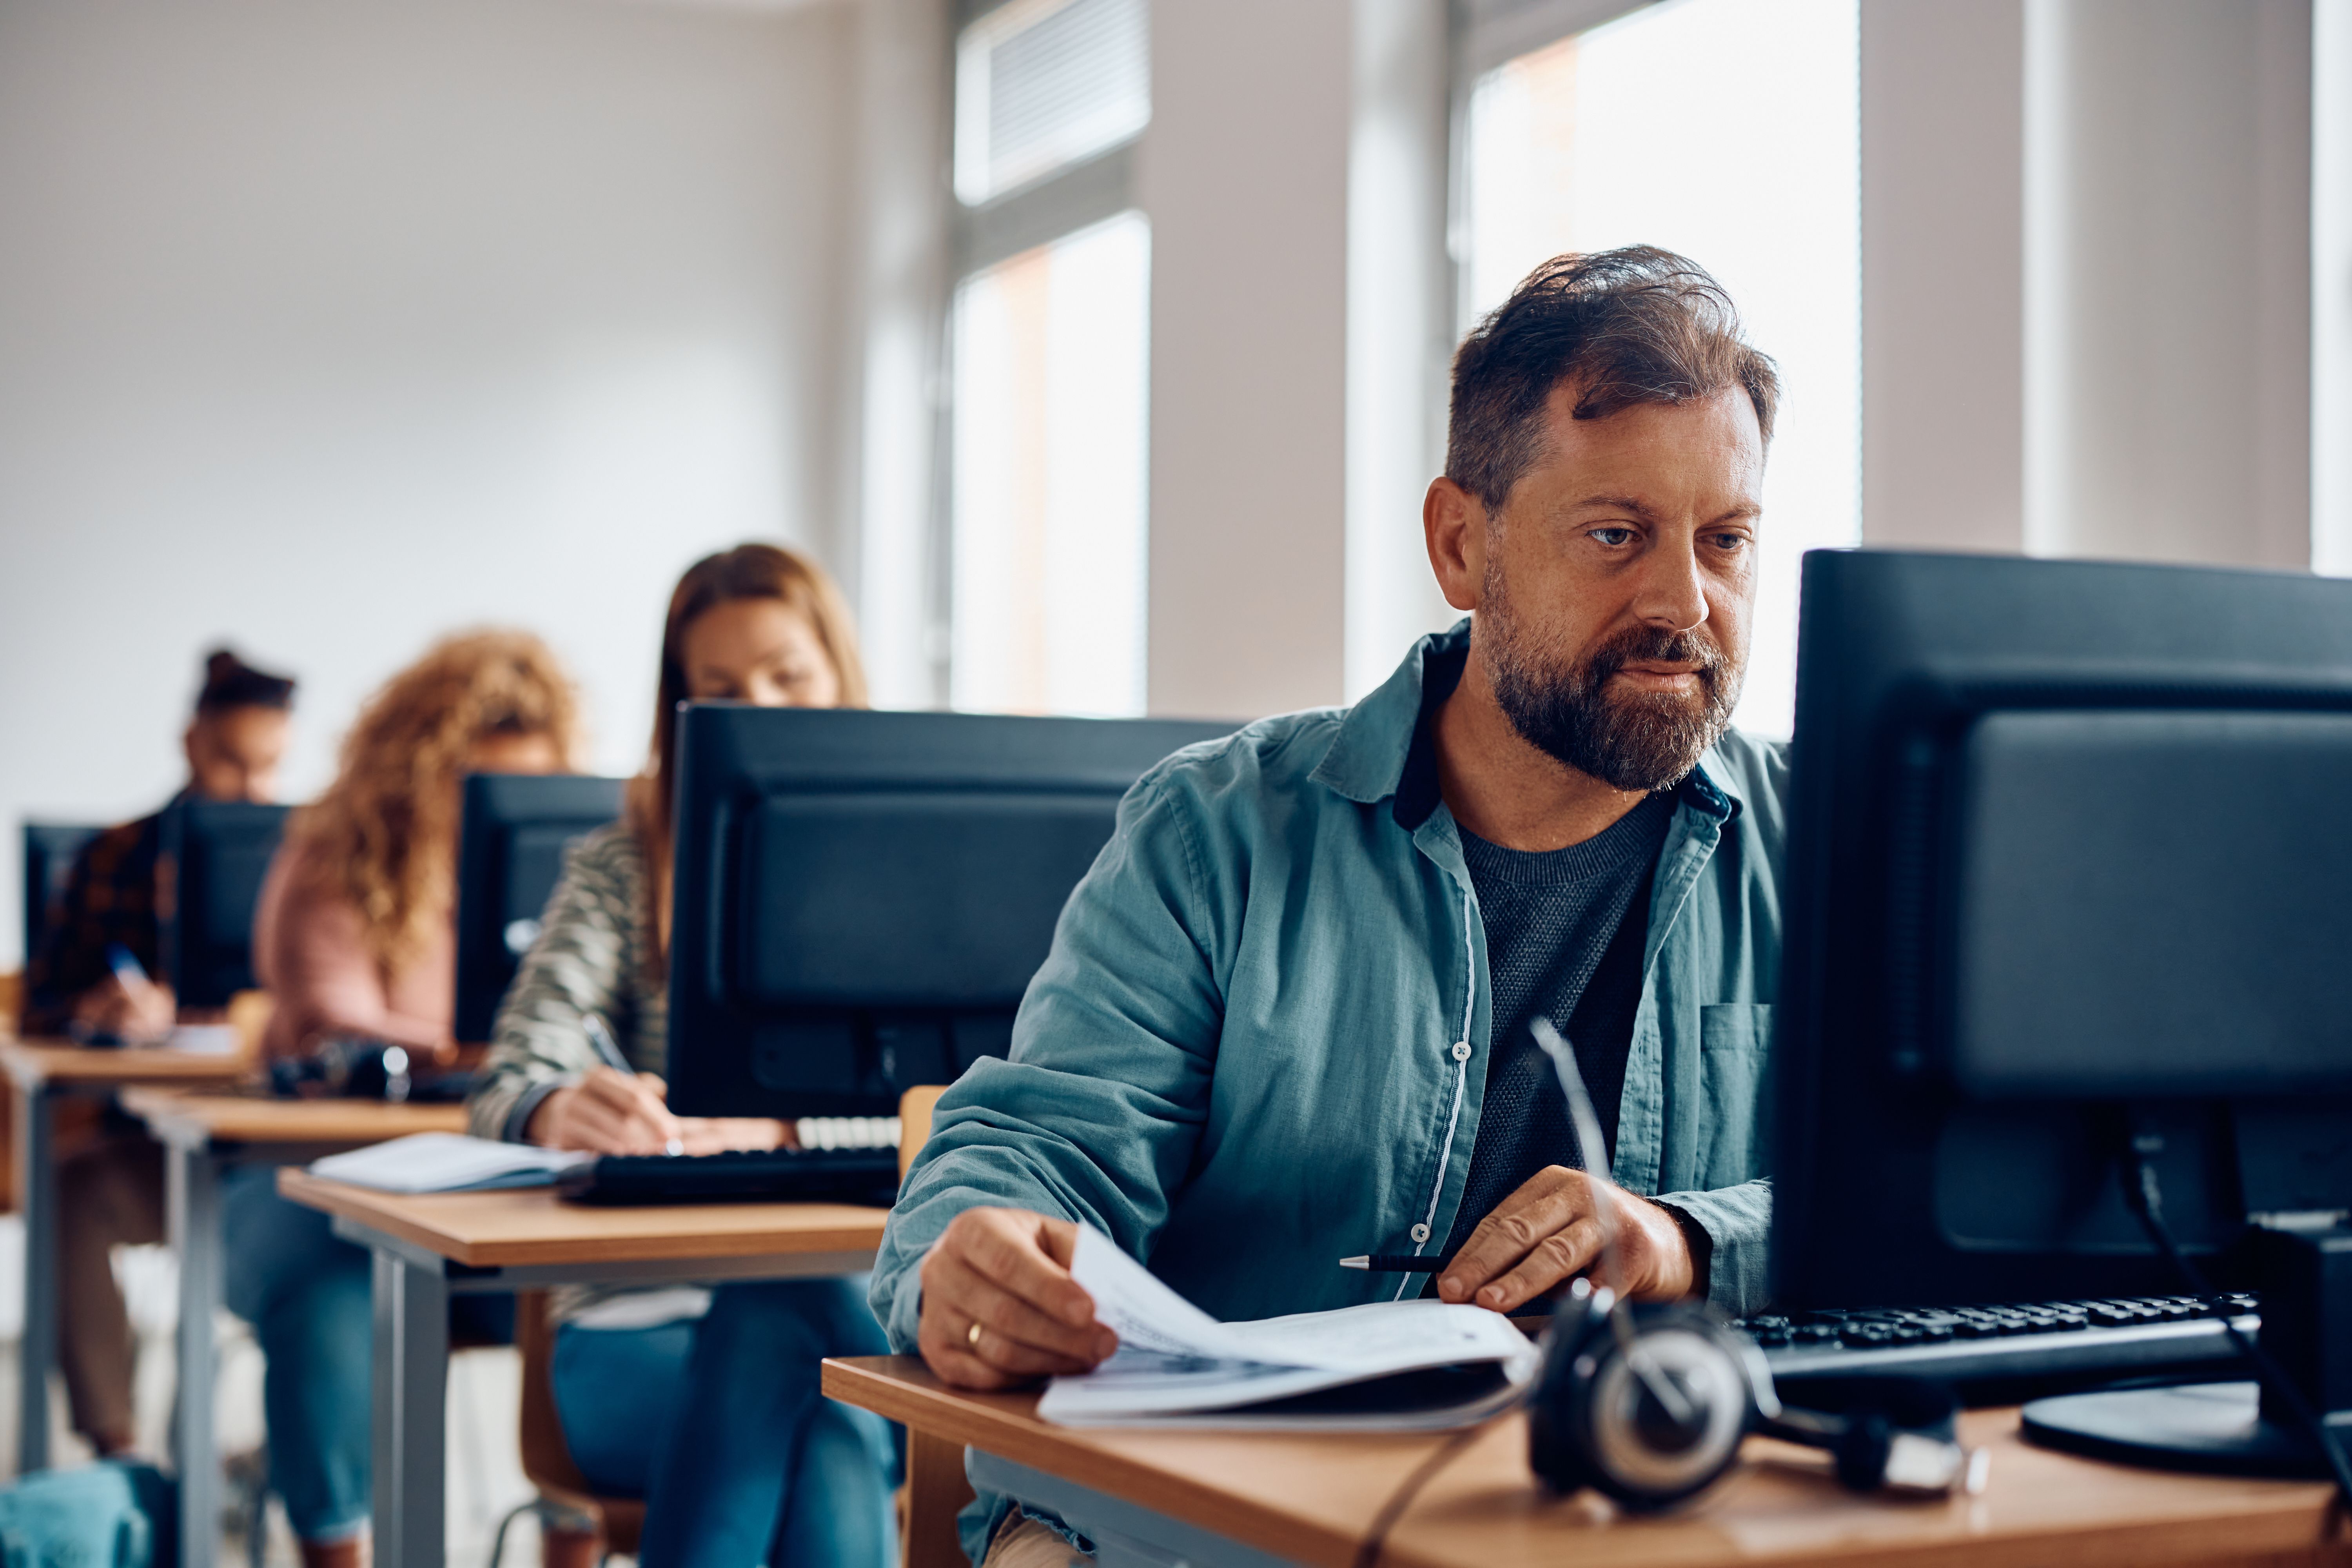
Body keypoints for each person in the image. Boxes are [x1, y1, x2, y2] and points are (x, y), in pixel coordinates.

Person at [872, 247, 1789, 1564]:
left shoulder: (1824, 848)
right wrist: (973, 1249)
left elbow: (1958, 1211)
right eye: (1615, 535)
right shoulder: (1216, 833)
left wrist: (1689, 1239)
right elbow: (1037, 1151)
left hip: (1635, 1523)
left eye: (1727, 540)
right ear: (1463, 545)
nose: (1682, 602)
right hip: (1206, 1524)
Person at [468, 543, 899, 1568]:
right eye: (722, 689)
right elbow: (506, 1079)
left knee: (800, 1335)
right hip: (630, 1327)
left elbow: (965, 1106)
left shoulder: (913, 867)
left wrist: (783, 1132)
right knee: (820, 1410)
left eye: (789, 676)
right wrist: (553, 1104)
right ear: (681, 710)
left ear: (838, 674)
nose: (761, 707)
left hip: (855, 1322)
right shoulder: (625, 865)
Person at [232, 630, 577, 1568]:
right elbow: (330, 1018)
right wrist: (488, 1055)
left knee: (602, 1281)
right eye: (471, 786)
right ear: (417, 769)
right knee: (332, 1290)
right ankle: (337, 1548)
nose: (492, 814)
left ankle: (575, 1541)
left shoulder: (573, 873)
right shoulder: (336, 856)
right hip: (307, 1181)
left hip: (495, 1182)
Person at [26, 648, 295, 1459]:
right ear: (191, 743)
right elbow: (39, 1006)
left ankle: (279, 1456)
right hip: (159, 1150)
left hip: (278, 1151)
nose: (251, 789)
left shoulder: (308, 859)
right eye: (232, 762)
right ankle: (119, 1455)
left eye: (270, 767)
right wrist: (98, 1012)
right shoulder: (115, 856)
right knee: (74, 1188)